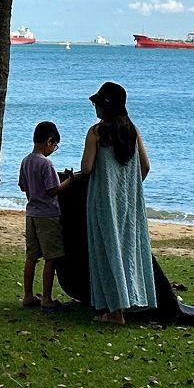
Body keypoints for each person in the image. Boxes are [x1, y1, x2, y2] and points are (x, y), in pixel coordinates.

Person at [72, 81, 153, 324]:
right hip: (129, 201)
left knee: (106, 249)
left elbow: (86, 168)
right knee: (128, 249)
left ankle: (115, 310)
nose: (95, 107)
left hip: (103, 199)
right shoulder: (132, 130)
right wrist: (130, 185)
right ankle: (130, 300)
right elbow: (146, 166)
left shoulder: (96, 132)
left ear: (105, 106)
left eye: (98, 103)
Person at [18, 120, 65, 308]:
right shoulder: (46, 163)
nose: (54, 149)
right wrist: (70, 180)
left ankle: (28, 296)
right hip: (48, 215)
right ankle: (46, 298)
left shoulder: (26, 161)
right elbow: (54, 189)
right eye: (55, 145)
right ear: (49, 141)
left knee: (31, 257)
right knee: (51, 257)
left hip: (32, 213)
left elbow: (24, 186)